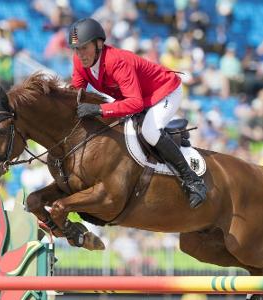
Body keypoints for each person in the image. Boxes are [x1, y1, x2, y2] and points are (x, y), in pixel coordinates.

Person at [68, 18, 206, 208]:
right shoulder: (79, 62)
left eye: (84, 48)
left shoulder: (117, 61)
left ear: (99, 44)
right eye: (76, 49)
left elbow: (134, 103)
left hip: (165, 91)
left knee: (150, 131)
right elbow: (75, 93)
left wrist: (98, 109)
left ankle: (193, 181)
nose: (80, 54)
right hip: (136, 97)